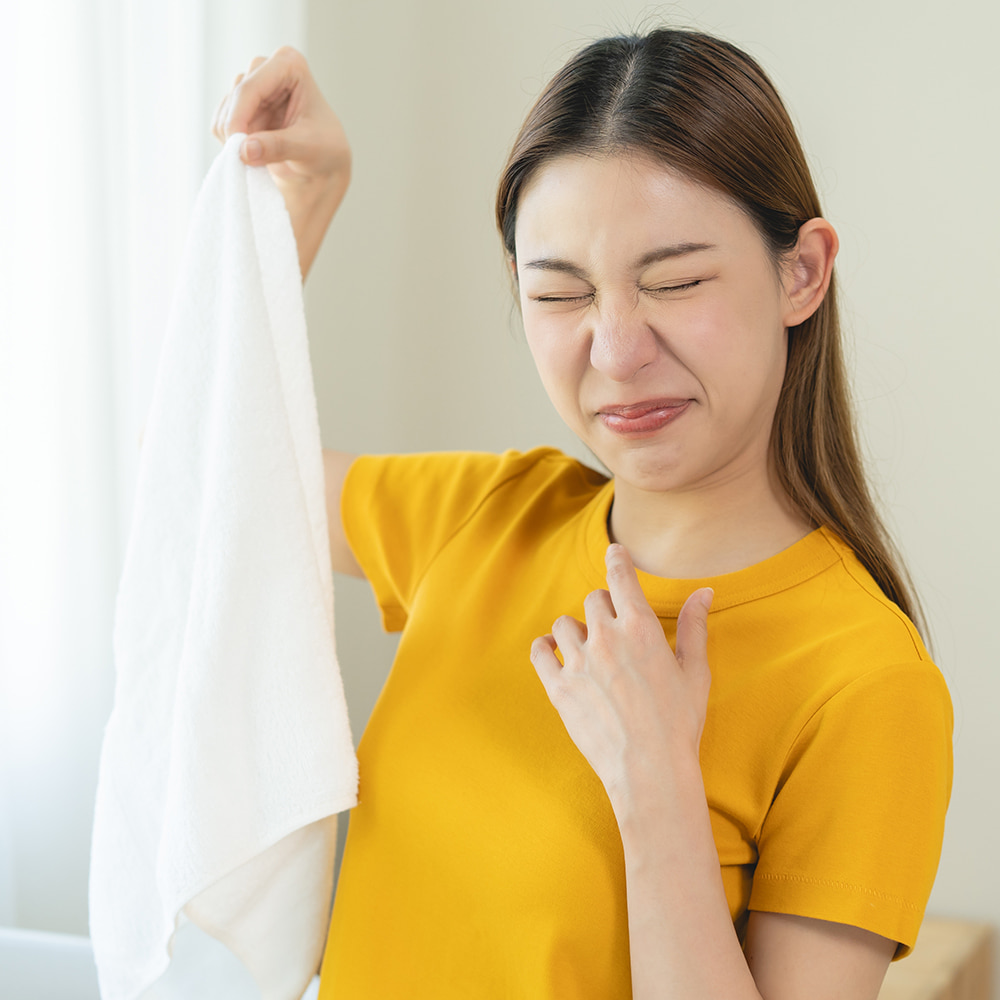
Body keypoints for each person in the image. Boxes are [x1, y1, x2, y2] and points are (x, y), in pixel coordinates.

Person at [213, 28, 952, 999]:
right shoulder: (485, 516)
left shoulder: (863, 682)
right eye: (559, 291)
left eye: (675, 281)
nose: (615, 348)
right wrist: (291, 216)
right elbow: (195, 492)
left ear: (800, 273)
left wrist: (657, 802)